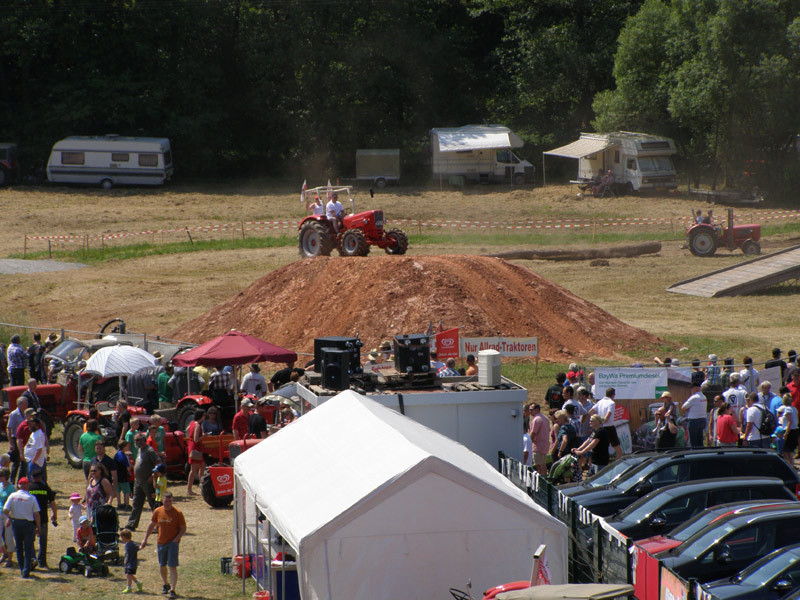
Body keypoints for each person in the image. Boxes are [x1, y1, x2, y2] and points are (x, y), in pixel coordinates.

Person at [140, 491, 186, 600]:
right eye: (166, 501)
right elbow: (152, 524)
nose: (168, 503)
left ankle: (173, 590)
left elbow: (183, 528)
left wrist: (177, 538)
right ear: (162, 501)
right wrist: (145, 539)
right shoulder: (158, 511)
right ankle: (165, 584)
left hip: (173, 543)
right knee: (162, 565)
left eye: (170, 501)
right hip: (161, 542)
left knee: (172, 566)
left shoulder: (177, 513)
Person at [2, 476, 40, 578]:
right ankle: (26, 570)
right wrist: (38, 527)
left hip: (16, 522)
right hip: (28, 523)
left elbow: (5, 509)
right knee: (27, 547)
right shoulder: (31, 498)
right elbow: (36, 514)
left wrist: (10, 518)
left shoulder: (13, 496)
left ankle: (21, 567)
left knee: (19, 546)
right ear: (28, 485)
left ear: (19, 485)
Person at [124, 432, 160, 531]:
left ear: (144, 440)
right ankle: (131, 524)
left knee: (154, 504)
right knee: (136, 503)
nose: (136, 442)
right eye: (135, 440)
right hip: (138, 482)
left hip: (148, 482)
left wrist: (152, 476)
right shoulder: (140, 450)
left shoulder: (149, 451)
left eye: (138, 440)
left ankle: (159, 525)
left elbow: (158, 464)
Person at [28, 468, 56, 569]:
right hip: (43, 518)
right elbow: (52, 502)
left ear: (32, 477)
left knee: (30, 540)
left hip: (30, 519)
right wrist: (55, 515)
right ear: (41, 477)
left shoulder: (29, 488)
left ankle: (32, 559)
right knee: (43, 541)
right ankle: (42, 562)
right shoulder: (45, 487)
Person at [589, 387, 623, 459]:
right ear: (613, 395)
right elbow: (607, 418)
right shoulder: (612, 403)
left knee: (601, 448)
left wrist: (597, 420)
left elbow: (590, 412)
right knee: (619, 451)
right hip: (609, 428)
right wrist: (601, 420)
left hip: (601, 428)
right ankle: (617, 467)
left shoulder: (600, 402)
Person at [6, 395, 27, 483]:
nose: (27, 405)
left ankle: (20, 481)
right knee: (16, 461)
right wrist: (11, 442)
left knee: (24, 461)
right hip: (16, 439)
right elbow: (9, 428)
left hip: (24, 439)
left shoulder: (26, 414)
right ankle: (12, 480)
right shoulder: (14, 414)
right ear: (20, 405)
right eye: (25, 403)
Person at [186, 410, 205, 496]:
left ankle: (202, 485)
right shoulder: (197, 425)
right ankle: (189, 489)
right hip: (195, 448)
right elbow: (196, 439)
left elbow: (187, 430)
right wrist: (204, 436)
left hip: (192, 447)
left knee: (202, 466)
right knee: (193, 470)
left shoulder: (192, 423)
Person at [528, 404, 550, 477]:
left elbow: (534, 433)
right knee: (543, 464)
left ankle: (542, 481)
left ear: (537, 409)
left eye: (531, 409)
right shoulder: (545, 418)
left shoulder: (537, 419)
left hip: (538, 445)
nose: (530, 411)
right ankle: (545, 478)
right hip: (544, 445)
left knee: (538, 465)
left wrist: (528, 442)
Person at [120, 528, 143, 593]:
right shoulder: (127, 544)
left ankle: (129, 587)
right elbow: (126, 553)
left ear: (124, 537)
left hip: (132, 563)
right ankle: (138, 583)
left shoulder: (132, 544)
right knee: (130, 575)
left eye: (122, 537)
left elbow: (139, 547)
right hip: (128, 562)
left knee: (128, 575)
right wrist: (125, 559)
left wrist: (143, 544)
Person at [0, 468, 15, 567]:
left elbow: (13, 504)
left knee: (8, 536)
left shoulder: (11, 488)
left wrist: (10, 518)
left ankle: (10, 558)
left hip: (7, 514)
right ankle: (4, 552)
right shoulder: (0, 486)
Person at [778, 394, 799, 464]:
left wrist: (786, 434)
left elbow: (790, 422)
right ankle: (792, 465)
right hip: (794, 430)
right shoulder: (794, 408)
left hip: (789, 431)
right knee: (790, 452)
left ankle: (789, 466)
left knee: (786, 452)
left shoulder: (787, 409)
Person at [114, 440, 132, 510]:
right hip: (123, 476)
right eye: (127, 446)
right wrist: (131, 465)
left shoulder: (117, 454)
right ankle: (127, 504)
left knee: (118, 491)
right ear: (124, 447)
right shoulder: (123, 456)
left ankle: (119, 504)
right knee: (126, 491)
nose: (128, 447)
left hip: (117, 476)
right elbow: (128, 468)